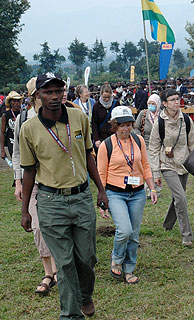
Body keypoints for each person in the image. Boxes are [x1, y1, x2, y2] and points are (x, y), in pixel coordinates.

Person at [19, 73, 108, 319]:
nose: (55, 96)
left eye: (58, 91)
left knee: (87, 258)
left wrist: (100, 189)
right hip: (50, 202)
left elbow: (89, 154)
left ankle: (85, 295)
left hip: (80, 198)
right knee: (65, 263)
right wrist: (25, 209)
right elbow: (28, 170)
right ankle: (70, 315)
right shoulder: (29, 129)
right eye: (48, 92)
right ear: (38, 96)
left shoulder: (79, 117)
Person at [97, 106, 157, 284]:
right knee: (124, 229)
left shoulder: (138, 141)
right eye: (121, 125)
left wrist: (152, 188)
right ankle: (116, 258)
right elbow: (101, 175)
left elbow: (145, 165)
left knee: (134, 234)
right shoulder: (106, 145)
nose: (126, 129)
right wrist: (102, 202)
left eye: (129, 125)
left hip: (137, 193)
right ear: (114, 125)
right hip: (115, 194)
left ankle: (129, 269)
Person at [13, 77, 58, 296]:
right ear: (34, 96)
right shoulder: (24, 119)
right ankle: (48, 273)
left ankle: (58, 270)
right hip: (33, 183)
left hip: (55, 182)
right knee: (38, 228)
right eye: (44, 92)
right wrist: (19, 182)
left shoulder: (59, 115)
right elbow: (17, 153)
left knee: (55, 226)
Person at [148, 89, 194, 246]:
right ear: (164, 103)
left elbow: (193, 144)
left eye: (178, 99)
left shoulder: (187, 120)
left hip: (184, 164)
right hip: (167, 165)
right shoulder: (159, 123)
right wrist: (156, 173)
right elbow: (154, 148)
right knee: (181, 198)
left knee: (178, 197)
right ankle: (187, 235)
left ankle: (167, 224)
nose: (177, 102)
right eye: (172, 100)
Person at [133, 93, 162, 197]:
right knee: (150, 167)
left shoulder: (162, 115)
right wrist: (138, 136)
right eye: (149, 103)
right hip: (147, 145)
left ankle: (155, 189)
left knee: (156, 167)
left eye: (153, 103)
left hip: (160, 145)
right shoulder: (143, 114)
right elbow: (136, 127)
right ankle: (151, 190)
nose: (151, 106)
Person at [92, 84, 118, 152]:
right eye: (104, 97)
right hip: (101, 136)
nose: (106, 99)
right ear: (101, 95)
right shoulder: (96, 106)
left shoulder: (116, 104)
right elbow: (94, 123)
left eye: (108, 97)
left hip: (114, 135)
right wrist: (96, 139)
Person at [1, 91, 23, 159]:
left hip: (23, 142)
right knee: (16, 163)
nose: (16, 103)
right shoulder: (6, 115)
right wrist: (2, 150)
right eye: (14, 101)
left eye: (18, 101)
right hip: (12, 142)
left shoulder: (24, 113)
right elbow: (2, 132)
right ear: (10, 102)